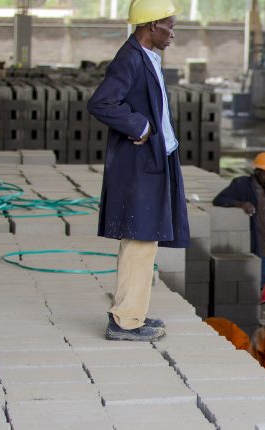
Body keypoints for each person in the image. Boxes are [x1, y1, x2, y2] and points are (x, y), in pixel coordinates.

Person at [88, 0, 188, 342]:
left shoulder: (148, 57)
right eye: (169, 27)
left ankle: (132, 312)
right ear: (151, 26)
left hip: (156, 160)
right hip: (140, 165)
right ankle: (125, 321)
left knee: (146, 240)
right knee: (140, 239)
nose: (173, 34)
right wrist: (138, 125)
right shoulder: (129, 59)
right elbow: (101, 102)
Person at [212, 152, 265, 285]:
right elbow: (219, 200)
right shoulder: (242, 185)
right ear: (257, 171)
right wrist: (240, 204)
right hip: (263, 248)